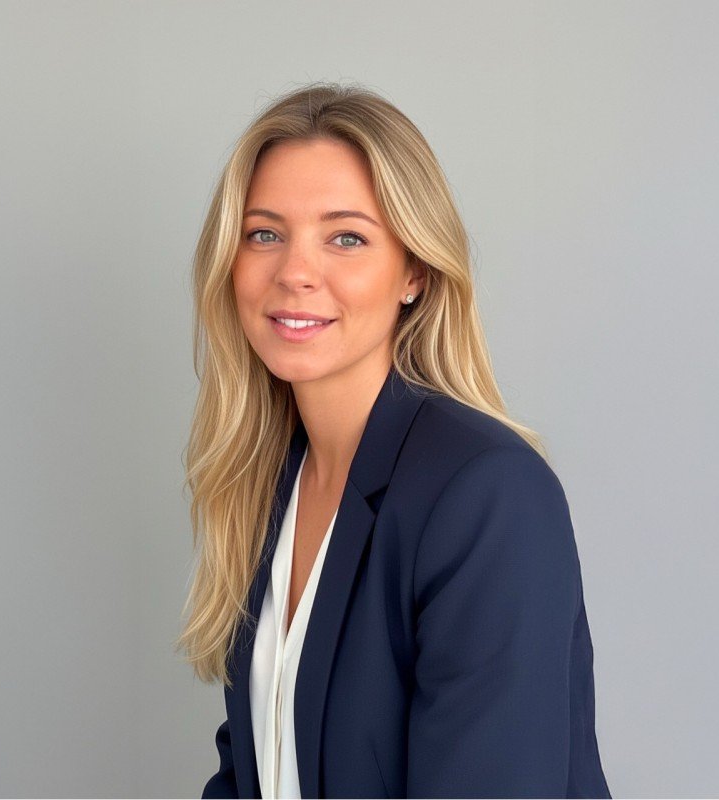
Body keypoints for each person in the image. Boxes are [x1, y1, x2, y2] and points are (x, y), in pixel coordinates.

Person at [175, 81, 612, 799]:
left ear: (414, 271)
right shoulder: (269, 481)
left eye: (346, 237)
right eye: (264, 233)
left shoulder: (488, 494)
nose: (295, 272)